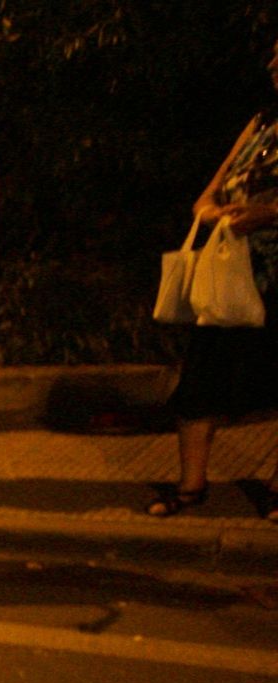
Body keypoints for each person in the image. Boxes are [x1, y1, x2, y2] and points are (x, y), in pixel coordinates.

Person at [147, 39, 278, 518]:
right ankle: (190, 485)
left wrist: (269, 212)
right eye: (274, 55)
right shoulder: (261, 123)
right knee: (201, 375)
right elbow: (209, 191)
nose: (274, 64)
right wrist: (211, 211)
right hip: (234, 268)